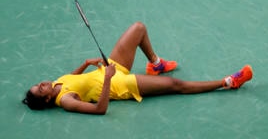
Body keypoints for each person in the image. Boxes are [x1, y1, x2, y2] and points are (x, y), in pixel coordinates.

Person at [22, 21, 253, 114]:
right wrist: (108, 79)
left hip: (109, 68)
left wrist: (85, 64)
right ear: (46, 100)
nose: (43, 84)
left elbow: (71, 78)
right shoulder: (65, 101)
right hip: (119, 84)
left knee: (138, 28)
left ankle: (156, 64)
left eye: (39, 84)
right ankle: (228, 82)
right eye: (41, 89)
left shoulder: (55, 84)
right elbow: (99, 110)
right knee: (176, 85)